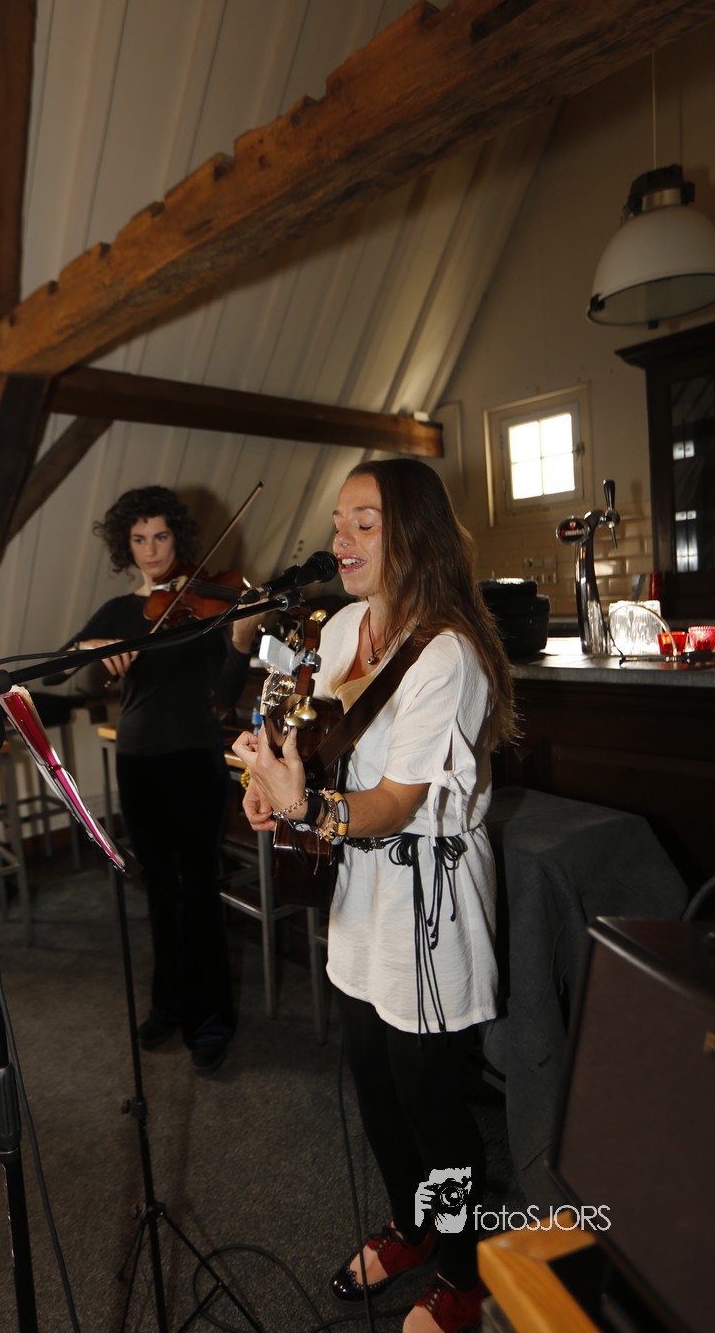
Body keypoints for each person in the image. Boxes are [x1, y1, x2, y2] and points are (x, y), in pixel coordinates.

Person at [231, 458, 516, 1332]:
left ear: (414, 534)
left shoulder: (449, 654)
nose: (342, 539)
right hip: (360, 886)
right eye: (338, 522)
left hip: (425, 899)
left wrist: (305, 808)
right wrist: (269, 781)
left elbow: (395, 801)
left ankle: (462, 1272)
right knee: (373, 1078)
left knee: (431, 1100)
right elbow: (310, 741)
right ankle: (412, 1224)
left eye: (365, 522)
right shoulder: (347, 624)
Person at [70, 486, 262, 1074]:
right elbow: (69, 680)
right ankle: (169, 1005)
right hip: (137, 761)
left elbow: (224, 694)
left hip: (194, 758)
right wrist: (90, 650)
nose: (152, 550)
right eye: (139, 539)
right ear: (124, 545)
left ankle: (211, 1021)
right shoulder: (118, 612)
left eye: (161, 536)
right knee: (158, 887)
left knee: (198, 888)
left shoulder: (207, 600)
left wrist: (240, 640)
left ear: (178, 537)